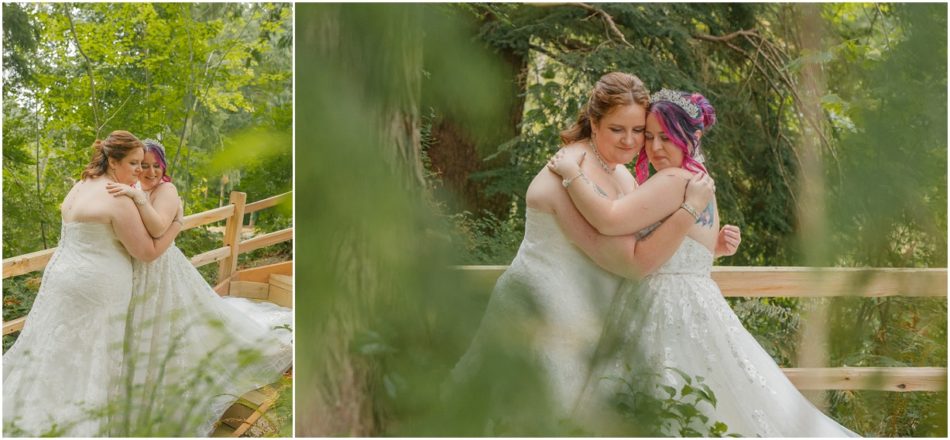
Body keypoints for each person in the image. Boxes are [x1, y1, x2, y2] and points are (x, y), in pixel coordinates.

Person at [550, 89, 857, 436]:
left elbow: (609, 220)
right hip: (697, 300)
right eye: (649, 137)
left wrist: (570, 175)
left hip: (663, 303)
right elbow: (688, 248)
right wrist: (718, 249)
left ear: (692, 137)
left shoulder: (673, 179)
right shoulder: (701, 183)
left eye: (666, 137)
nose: (654, 147)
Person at [447, 72, 731, 430]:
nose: (631, 141)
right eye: (617, 129)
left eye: (638, 130)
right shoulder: (569, 169)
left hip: (584, 314)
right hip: (544, 309)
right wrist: (689, 209)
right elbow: (630, 260)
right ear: (594, 122)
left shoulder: (620, 173)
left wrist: (707, 244)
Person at [104, 139, 293, 436]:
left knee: (178, 327)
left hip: (164, 271)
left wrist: (138, 199)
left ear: (163, 167)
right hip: (138, 272)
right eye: (144, 165)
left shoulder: (166, 191)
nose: (151, 171)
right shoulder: (134, 188)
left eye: (157, 165)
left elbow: (156, 229)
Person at [3, 131, 183, 437]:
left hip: (62, 280)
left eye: (143, 164)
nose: (140, 171)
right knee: (90, 359)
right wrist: (176, 225)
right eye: (134, 163)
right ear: (113, 161)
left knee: (53, 351)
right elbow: (148, 253)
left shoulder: (79, 187)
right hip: (99, 288)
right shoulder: (118, 197)